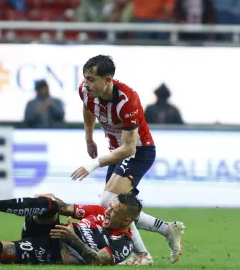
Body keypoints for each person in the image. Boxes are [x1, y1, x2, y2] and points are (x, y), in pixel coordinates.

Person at [71, 55, 185, 265]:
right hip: (117, 151)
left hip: (138, 152)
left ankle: (143, 255)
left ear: (108, 80)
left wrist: (94, 164)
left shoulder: (127, 99)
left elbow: (129, 148)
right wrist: (89, 137)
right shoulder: (86, 91)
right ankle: (167, 229)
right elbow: (88, 108)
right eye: (85, 78)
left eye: (91, 79)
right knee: (111, 207)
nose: (86, 84)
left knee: (109, 203)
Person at [0, 184, 142, 266]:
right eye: (110, 206)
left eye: (114, 211)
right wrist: (50, 200)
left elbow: (98, 260)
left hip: (53, 250)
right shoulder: (100, 212)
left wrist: (72, 238)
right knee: (50, 206)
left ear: (127, 221)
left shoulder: (123, 243)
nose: (107, 211)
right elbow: (65, 207)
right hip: (51, 230)